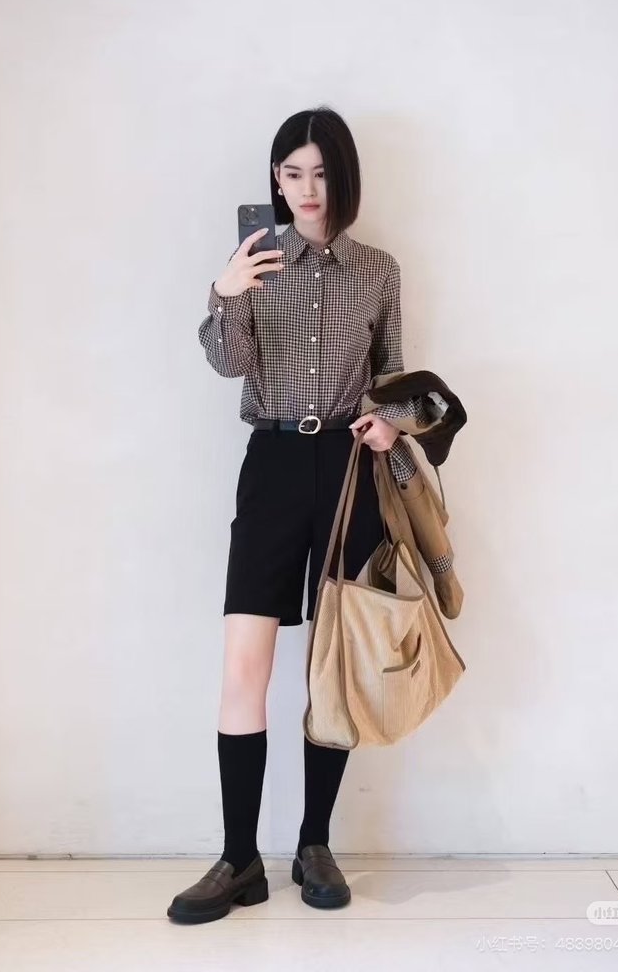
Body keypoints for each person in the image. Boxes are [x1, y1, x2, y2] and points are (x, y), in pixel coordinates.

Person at [167, 106, 420, 925]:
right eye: (291, 173)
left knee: (332, 668)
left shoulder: (377, 270)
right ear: (274, 180)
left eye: (319, 173)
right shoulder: (254, 263)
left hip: (350, 472)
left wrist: (392, 423)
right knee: (244, 663)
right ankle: (238, 859)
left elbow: (394, 375)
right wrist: (225, 294)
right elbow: (229, 364)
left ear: (343, 177)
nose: (306, 189)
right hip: (272, 465)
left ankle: (315, 844)